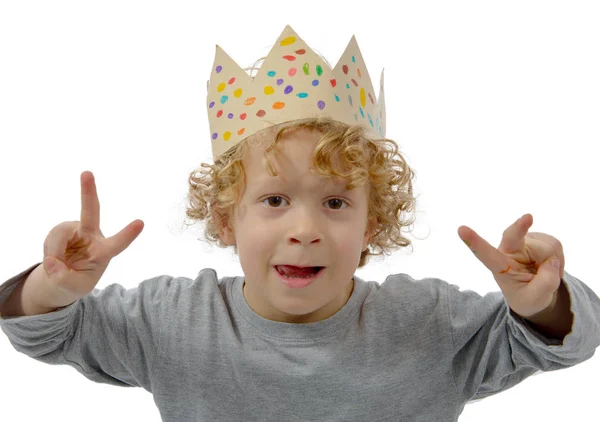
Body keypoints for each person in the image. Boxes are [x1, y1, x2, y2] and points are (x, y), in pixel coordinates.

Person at [1, 25, 599, 421]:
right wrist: (52, 288)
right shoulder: (173, 322)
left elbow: (568, 345)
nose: (306, 228)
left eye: (337, 203)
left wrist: (539, 304)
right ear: (225, 218)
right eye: (274, 200)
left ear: (373, 225)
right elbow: (42, 334)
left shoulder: (430, 326)